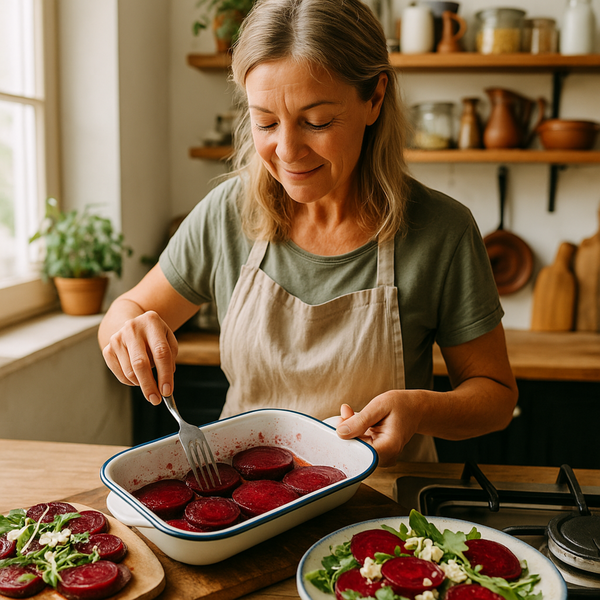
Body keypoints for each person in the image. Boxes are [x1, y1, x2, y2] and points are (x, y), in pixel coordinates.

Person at [98, 0, 518, 466]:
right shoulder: (226, 213)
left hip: (381, 510)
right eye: (266, 122)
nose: (288, 150)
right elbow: (126, 310)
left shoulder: (442, 231)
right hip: (245, 499)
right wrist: (128, 333)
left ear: (375, 98)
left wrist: (420, 409)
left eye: (317, 122)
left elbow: (495, 399)